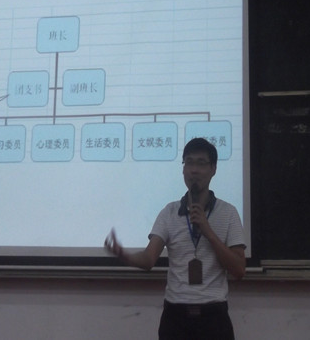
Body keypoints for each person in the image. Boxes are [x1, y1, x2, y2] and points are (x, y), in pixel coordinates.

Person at [104, 137, 246, 340]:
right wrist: (124, 255)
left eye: (201, 163)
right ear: (183, 169)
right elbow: (148, 259)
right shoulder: (169, 213)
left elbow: (239, 269)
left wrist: (208, 232)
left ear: (213, 169)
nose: (194, 170)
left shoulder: (228, 213)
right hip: (175, 317)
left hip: (214, 317)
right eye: (189, 162)